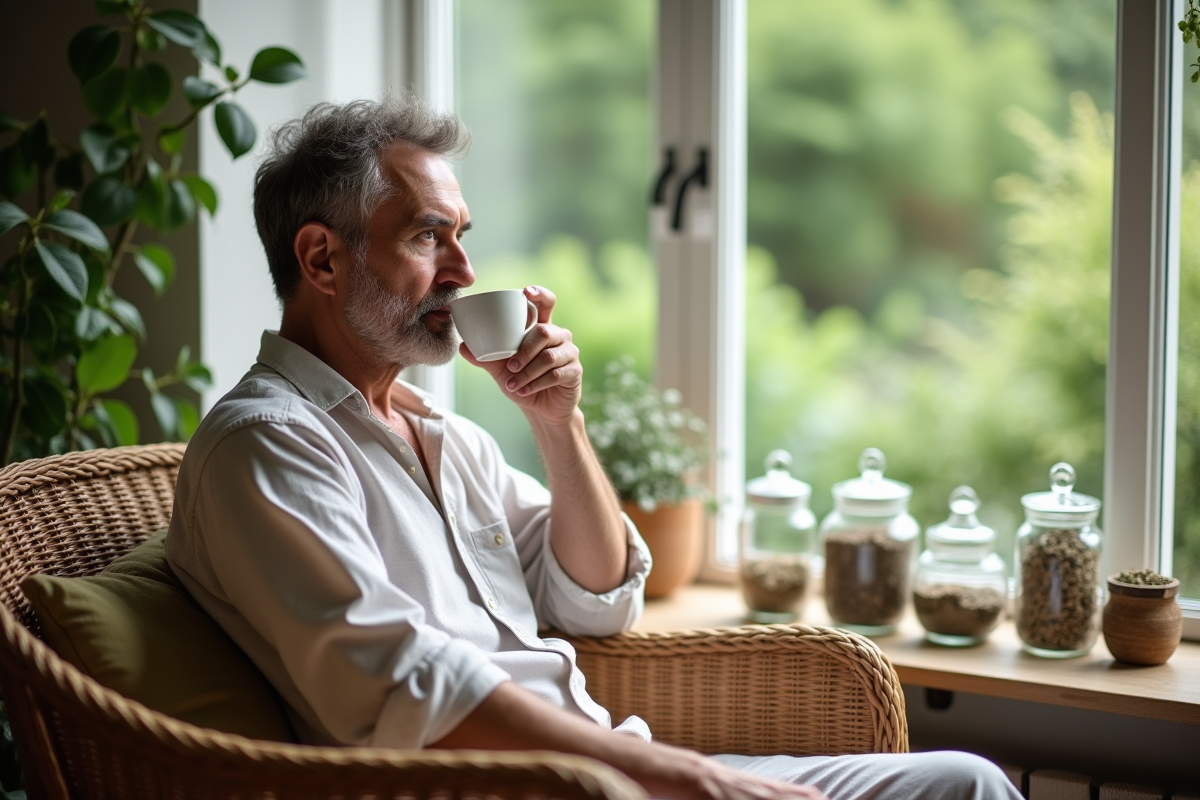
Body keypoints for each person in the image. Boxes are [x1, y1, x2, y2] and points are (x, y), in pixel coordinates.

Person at [166, 93, 1021, 800]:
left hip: (616, 769)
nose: (464, 270)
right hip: (542, 786)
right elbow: (406, 684)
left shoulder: (443, 437)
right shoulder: (269, 447)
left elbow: (599, 601)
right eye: (428, 236)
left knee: (965, 782)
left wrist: (556, 421)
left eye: (462, 234)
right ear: (321, 259)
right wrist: (693, 780)